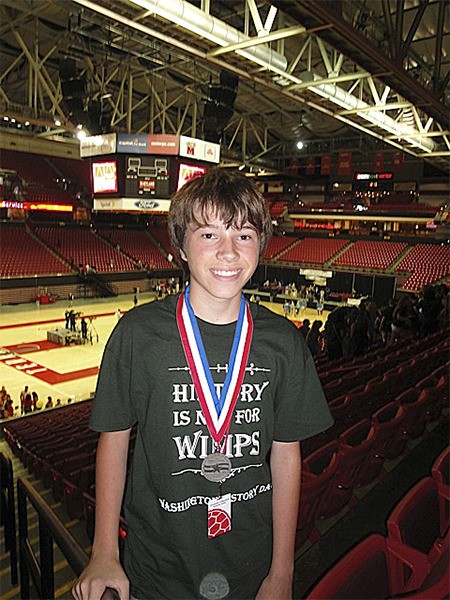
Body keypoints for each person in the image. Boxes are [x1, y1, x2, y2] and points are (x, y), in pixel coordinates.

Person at [72, 168, 333, 600]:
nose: (229, 252)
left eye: (244, 235)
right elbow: (114, 441)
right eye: (210, 235)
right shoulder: (137, 335)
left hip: (252, 566)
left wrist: (282, 572)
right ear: (180, 246)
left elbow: (287, 457)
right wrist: (104, 551)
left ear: (261, 247)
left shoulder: (284, 342)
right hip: (156, 570)